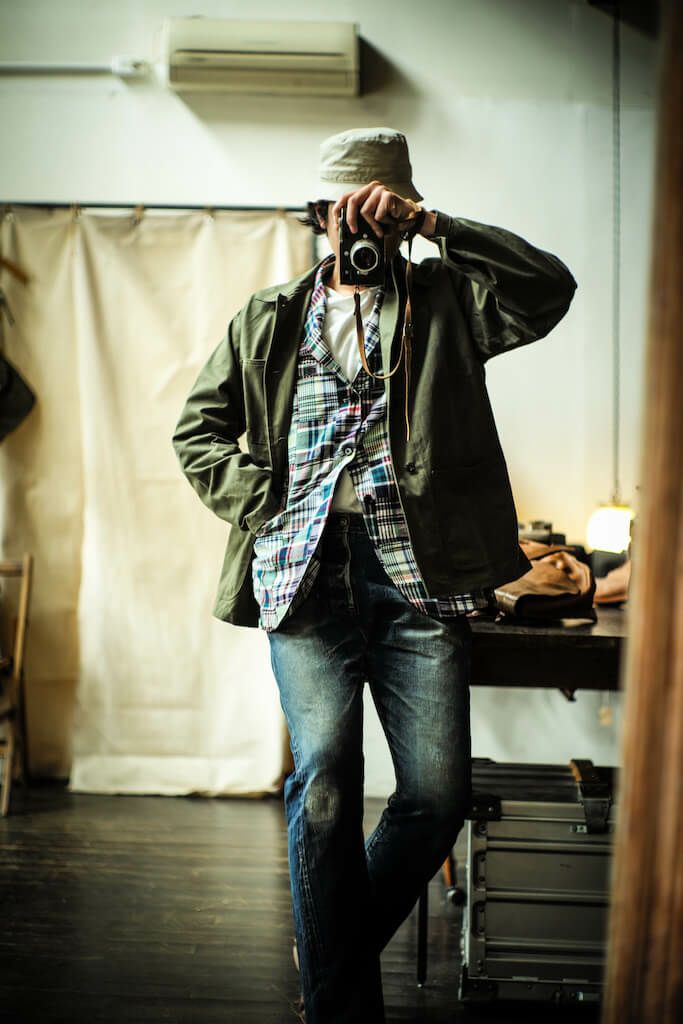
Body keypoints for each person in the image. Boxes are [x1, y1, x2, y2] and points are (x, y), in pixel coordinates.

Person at [172, 126, 577, 1024]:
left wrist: (436, 226)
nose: (356, 229)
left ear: (400, 215)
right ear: (318, 214)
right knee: (324, 783)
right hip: (305, 578)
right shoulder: (268, 316)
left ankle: (329, 942)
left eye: (378, 214)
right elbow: (197, 430)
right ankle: (339, 1004)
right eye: (342, 212)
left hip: (419, 580)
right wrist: (264, 501)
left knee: (436, 798)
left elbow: (548, 289)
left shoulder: (448, 302)